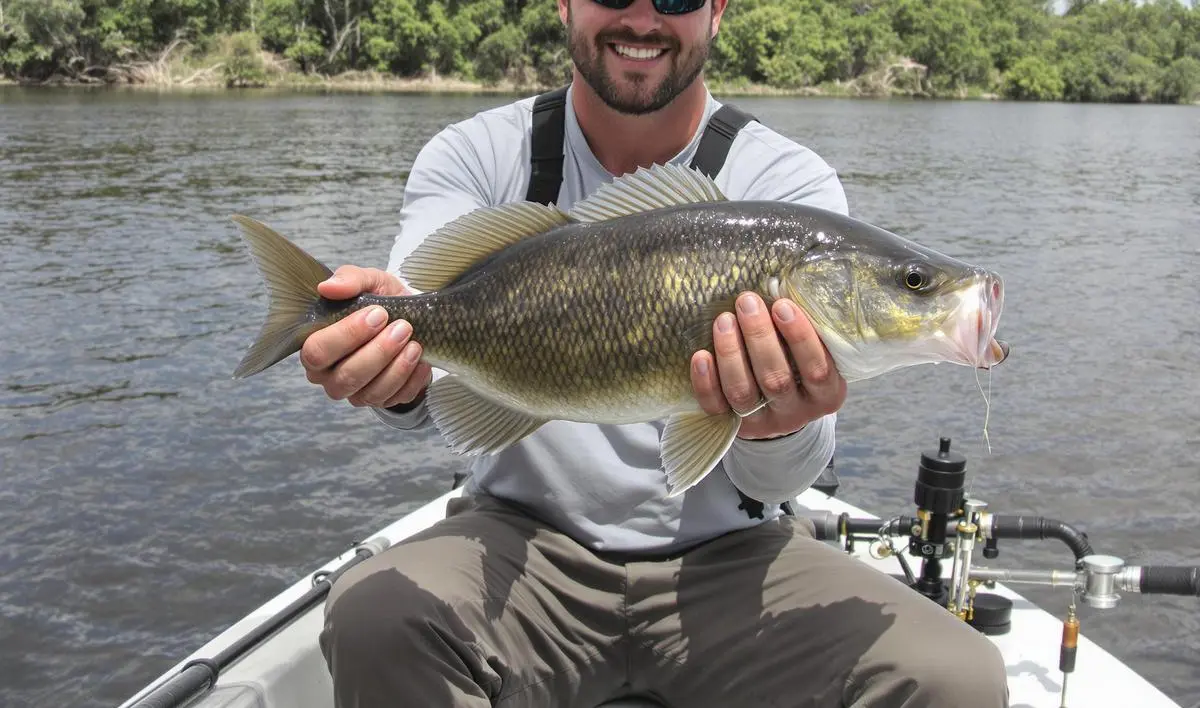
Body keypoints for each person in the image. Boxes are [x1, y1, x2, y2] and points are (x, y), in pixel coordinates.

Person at [310, 0, 1010, 705]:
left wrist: (781, 423)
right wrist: (390, 367)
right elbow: (420, 348)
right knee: (374, 619)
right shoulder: (476, 153)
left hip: (732, 559)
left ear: (717, 12)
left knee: (957, 677)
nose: (642, 18)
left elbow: (778, 484)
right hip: (518, 547)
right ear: (563, 4)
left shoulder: (790, 181)